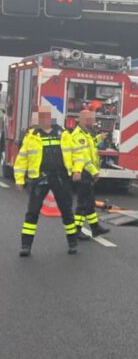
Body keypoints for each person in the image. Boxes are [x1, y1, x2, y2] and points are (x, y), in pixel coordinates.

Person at [14, 106, 79, 256]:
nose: (44, 119)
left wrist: (77, 170)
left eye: (46, 116)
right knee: (32, 212)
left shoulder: (62, 133)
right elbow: (21, 159)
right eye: (41, 116)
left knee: (66, 211)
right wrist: (19, 179)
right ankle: (26, 246)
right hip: (39, 178)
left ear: (51, 117)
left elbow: (76, 153)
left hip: (60, 177)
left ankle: (72, 243)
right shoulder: (32, 135)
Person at [69, 109, 111, 240]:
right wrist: (94, 171)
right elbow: (84, 158)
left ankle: (95, 228)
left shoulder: (86, 134)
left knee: (89, 202)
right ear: (83, 120)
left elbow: (91, 146)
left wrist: (99, 138)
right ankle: (76, 230)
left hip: (87, 173)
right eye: (90, 119)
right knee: (83, 203)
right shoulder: (78, 135)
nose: (93, 121)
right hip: (83, 172)